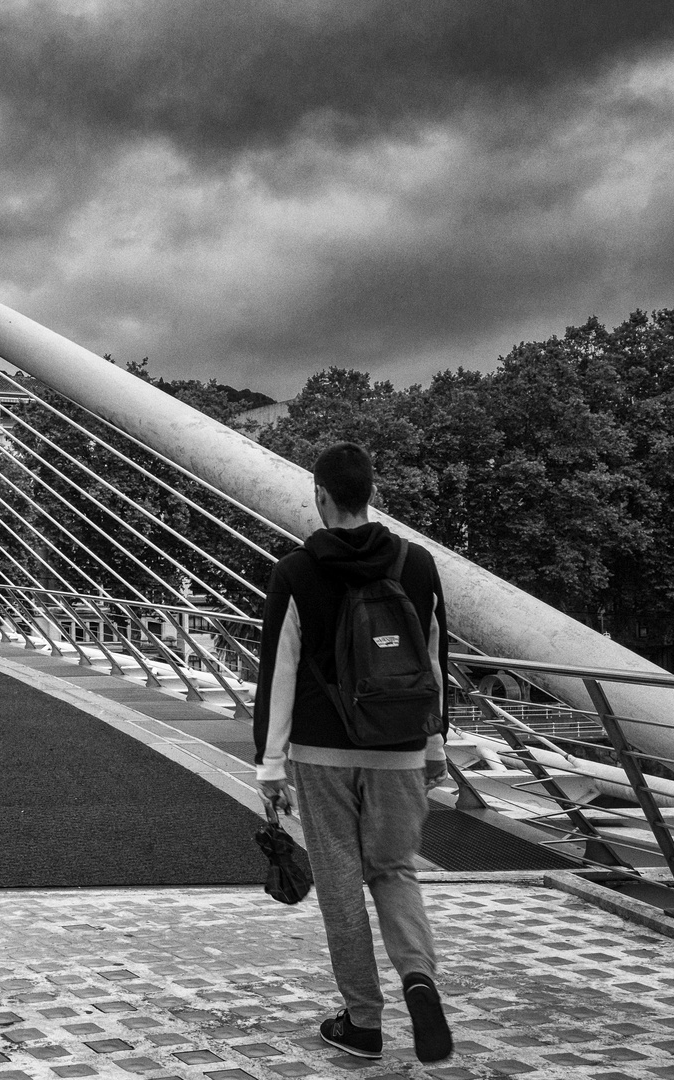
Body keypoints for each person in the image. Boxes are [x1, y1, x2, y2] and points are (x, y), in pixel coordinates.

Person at [254, 442, 453, 1065]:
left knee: (340, 885)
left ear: (319, 497)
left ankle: (364, 1023)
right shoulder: (417, 566)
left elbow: (279, 673)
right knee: (394, 870)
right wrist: (435, 743)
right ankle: (419, 980)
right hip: (400, 750)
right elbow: (434, 657)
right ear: (374, 491)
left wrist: (271, 763)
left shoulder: (295, 571)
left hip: (321, 753)